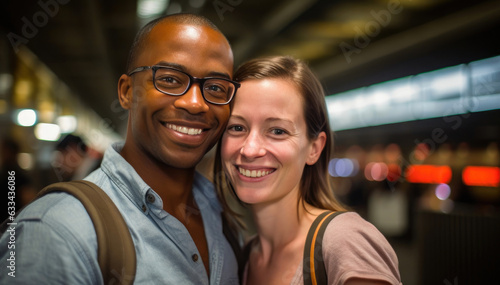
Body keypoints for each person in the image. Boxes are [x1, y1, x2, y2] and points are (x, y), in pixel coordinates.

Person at [0, 13, 240, 284]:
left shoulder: (223, 216)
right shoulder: (56, 231)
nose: (196, 103)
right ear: (126, 92)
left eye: (217, 87)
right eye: (170, 80)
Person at [214, 56, 402, 285]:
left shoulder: (344, 243)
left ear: (314, 148)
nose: (250, 149)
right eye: (237, 127)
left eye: (277, 131)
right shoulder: (243, 259)